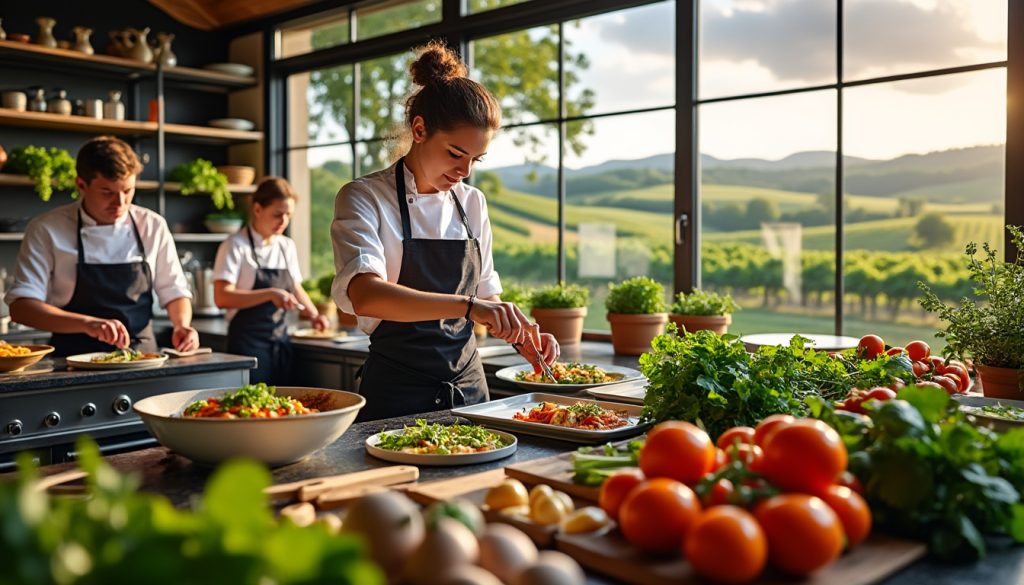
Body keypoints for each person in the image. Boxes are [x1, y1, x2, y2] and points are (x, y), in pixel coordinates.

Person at [332, 40, 559, 421]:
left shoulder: (472, 203)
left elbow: (486, 292)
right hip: (397, 394)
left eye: (476, 159)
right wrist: (469, 307)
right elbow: (366, 294)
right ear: (419, 130)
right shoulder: (364, 197)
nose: (464, 171)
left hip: (471, 392)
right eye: (455, 153)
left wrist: (524, 336)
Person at [6, 135, 199, 356]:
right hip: (73, 359)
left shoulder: (152, 225)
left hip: (142, 356)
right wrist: (88, 324)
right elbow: (21, 308)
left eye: (128, 191)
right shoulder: (47, 229)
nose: (120, 203)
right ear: (81, 185)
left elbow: (174, 290)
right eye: (107, 192)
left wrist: (182, 325)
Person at [213, 177, 328, 385]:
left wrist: (314, 314)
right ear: (257, 209)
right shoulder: (234, 246)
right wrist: (270, 293)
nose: (283, 221)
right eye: (277, 214)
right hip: (247, 347)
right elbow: (222, 298)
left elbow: (294, 286)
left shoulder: (286, 246)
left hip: (280, 342)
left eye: (288, 216)